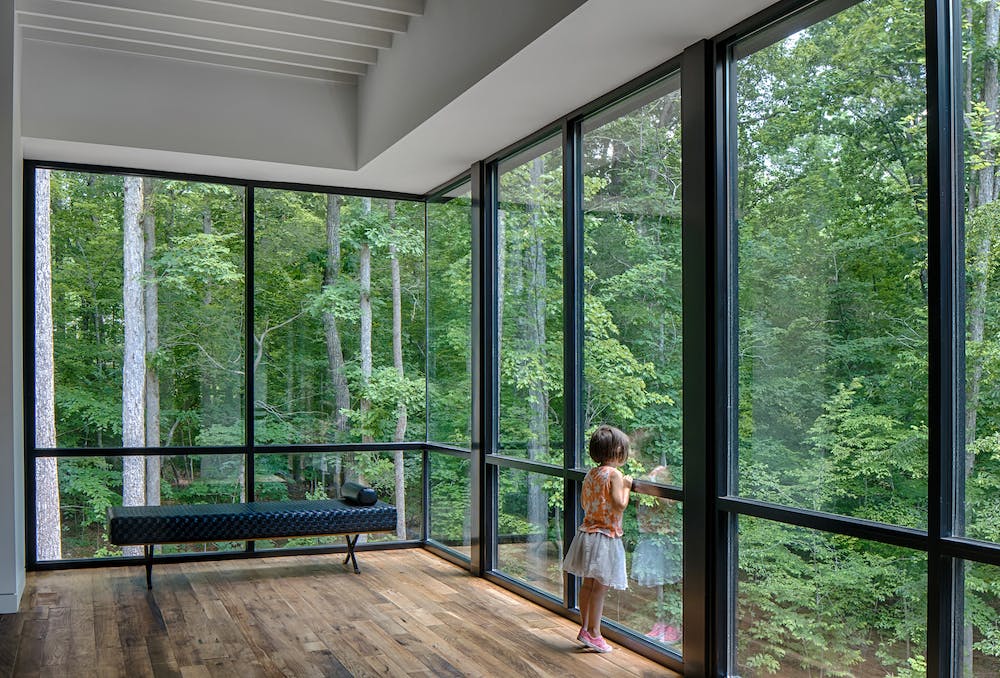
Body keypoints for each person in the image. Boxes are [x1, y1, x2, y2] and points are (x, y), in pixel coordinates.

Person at [562, 425, 633, 653]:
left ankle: (585, 627)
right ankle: (594, 632)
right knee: (600, 588)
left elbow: (586, 503)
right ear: (618, 450)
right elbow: (619, 504)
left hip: (587, 534)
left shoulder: (591, 474)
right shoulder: (614, 475)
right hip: (604, 537)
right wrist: (628, 487)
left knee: (588, 585)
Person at [631, 464, 682, 646]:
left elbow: (670, 506)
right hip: (653, 540)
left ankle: (675, 625)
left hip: (668, 541)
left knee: (672, 584)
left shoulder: (668, 498)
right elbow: (641, 516)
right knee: (659, 584)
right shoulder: (646, 496)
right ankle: (662, 621)